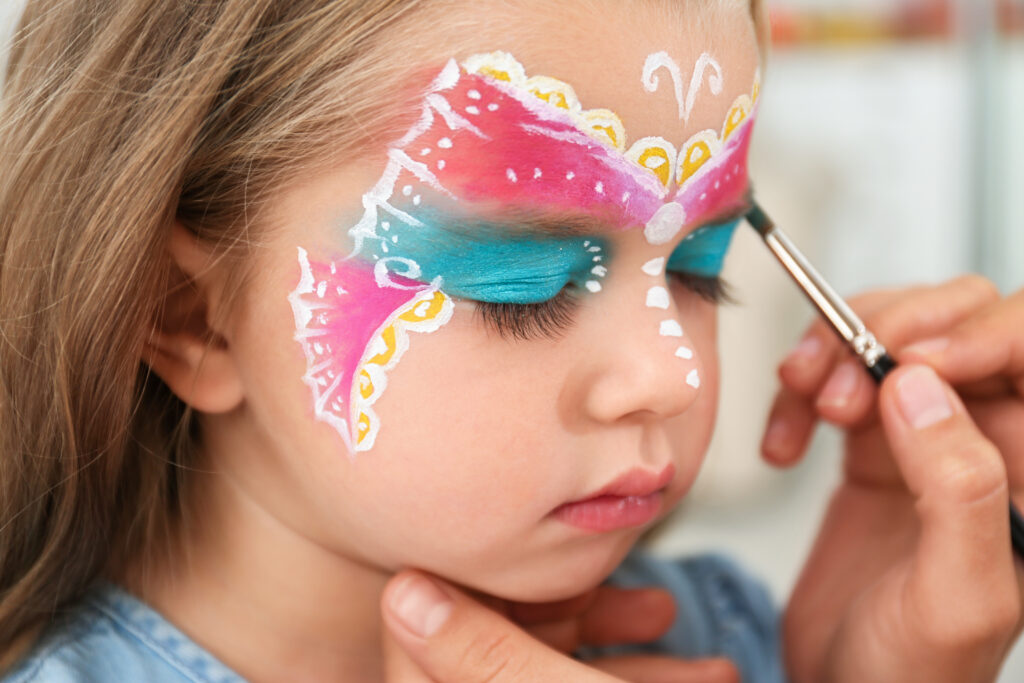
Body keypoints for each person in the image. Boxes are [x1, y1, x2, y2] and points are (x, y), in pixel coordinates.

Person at [0, 1, 1020, 681]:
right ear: (189, 315)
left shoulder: (732, 642)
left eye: (698, 266)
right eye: (518, 286)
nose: (669, 373)